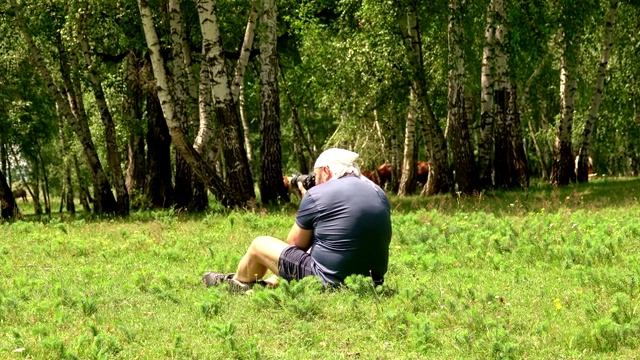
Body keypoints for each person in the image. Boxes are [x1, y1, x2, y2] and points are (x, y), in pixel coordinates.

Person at [203, 148, 392, 292]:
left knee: (259, 244)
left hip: (330, 282)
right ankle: (268, 284)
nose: (315, 182)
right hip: (372, 282)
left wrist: (309, 202)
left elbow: (294, 246)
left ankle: (239, 283)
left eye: (316, 176)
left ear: (326, 171)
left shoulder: (318, 194)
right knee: (322, 244)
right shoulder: (378, 192)